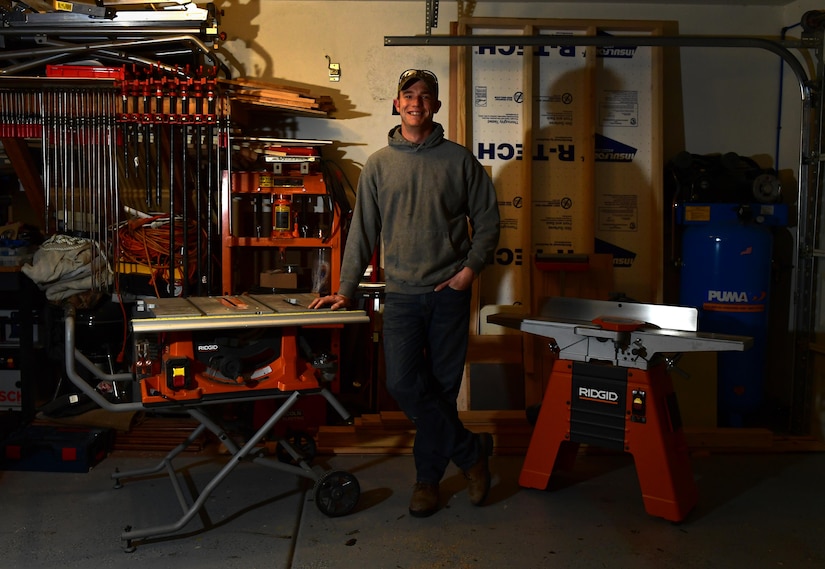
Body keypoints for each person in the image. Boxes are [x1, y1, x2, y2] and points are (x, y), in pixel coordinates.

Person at [309, 69, 501, 517]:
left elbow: (488, 222)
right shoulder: (379, 164)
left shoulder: (459, 161)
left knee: (441, 388)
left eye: (425, 96)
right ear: (397, 104)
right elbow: (363, 232)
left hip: (449, 293)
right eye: (408, 95)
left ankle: (428, 481)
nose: (416, 102)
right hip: (401, 295)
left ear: (435, 107)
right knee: (403, 384)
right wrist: (345, 289)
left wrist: (468, 273)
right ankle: (472, 453)